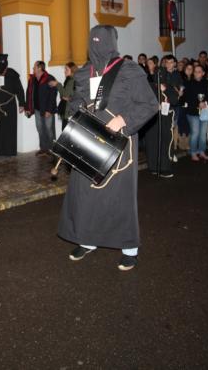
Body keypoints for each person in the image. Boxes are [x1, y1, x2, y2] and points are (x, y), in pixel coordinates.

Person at [57, 26, 157, 271]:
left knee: (118, 198)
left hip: (117, 142)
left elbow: (149, 104)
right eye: (93, 40)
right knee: (86, 195)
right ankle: (87, 239)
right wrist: (77, 112)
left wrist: (123, 119)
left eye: (101, 41)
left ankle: (129, 248)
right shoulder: (84, 73)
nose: (96, 44)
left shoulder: (129, 71)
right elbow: (77, 101)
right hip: (88, 140)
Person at [145, 54, 180, 177]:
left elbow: (175, 100)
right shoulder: (149, 86)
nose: (160, 76)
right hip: (152, 119)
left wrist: (165, 91)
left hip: (165, 119)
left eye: (162, 74)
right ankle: (153, 167)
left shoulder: (169, 87)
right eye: (158, 74)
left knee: (165, 142)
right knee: (152, 142)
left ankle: (164, 167)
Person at [0, 53, 25, 157]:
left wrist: (21, 104)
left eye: (2, 62)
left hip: (9, 106)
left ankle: (9, 150)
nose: (0, 64)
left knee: (9, 129)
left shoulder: (12, 74)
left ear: (6, 62)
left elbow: (19, 90)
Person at [182, 64, 208, 162]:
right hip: (192, 112)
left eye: (199, 71)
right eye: (195, 71)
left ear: (203, 73)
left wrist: (205, 102)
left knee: (203, 134)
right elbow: (186, 98)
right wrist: (197, 104)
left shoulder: (207, 83)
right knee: (195, 133)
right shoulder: (189, 83)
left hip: (205, 111)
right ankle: (193, 152)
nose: (196, 73)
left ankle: (202, 151)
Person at [25, 60, 57, 155]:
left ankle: (52, 149)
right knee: (40, 128)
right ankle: (44, 148)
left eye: (34, 67)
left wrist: (49, 110)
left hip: (47, 109)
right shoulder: (32, 79)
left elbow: (53, 95)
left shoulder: (49, 78)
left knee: (49, 129)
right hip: (37, 109)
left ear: (39, 68)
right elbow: (29, 94)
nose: (33, 68)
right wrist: (28, 108)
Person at [51, 62, 77, 131]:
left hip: (69, 111)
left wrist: (57, 84)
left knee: (66, 133)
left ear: (72, 70)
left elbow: (65, 94)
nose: (64, 71)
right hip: (68, 110)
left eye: (66, 69)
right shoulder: (69, 80)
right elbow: (63, 96)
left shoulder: (71, 80)